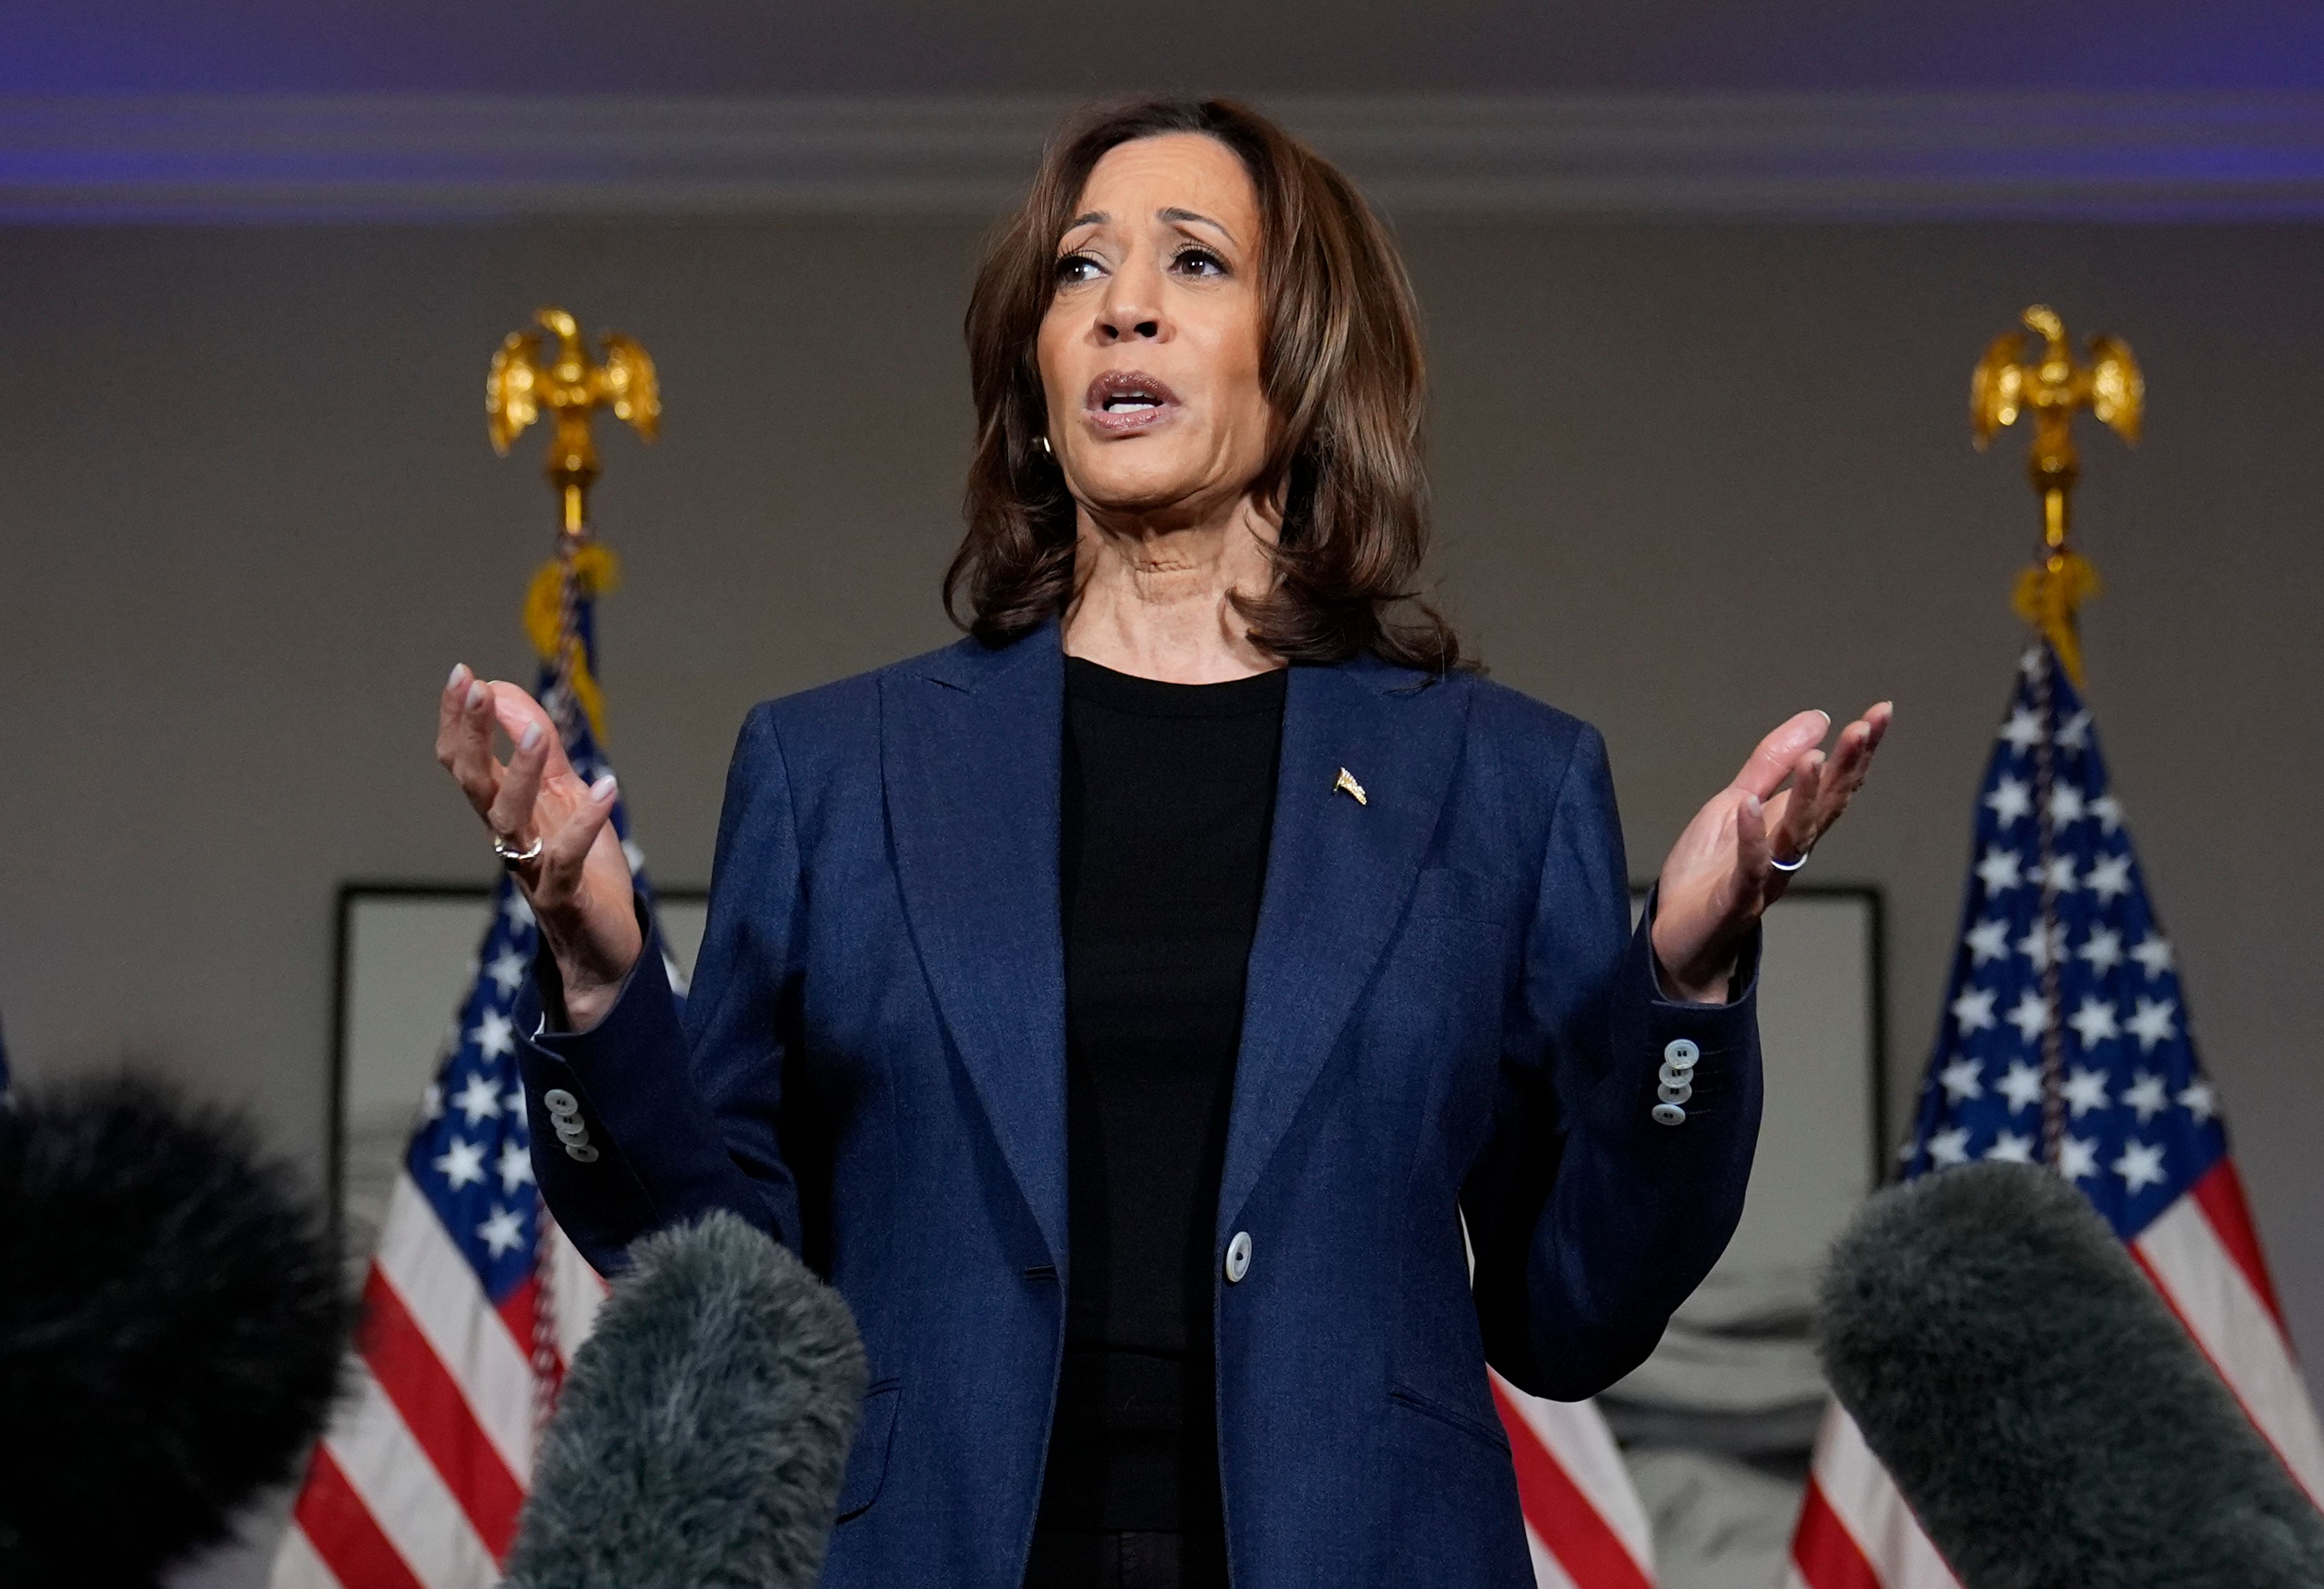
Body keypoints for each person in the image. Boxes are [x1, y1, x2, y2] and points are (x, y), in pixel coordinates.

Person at [435, 98, 1888, 1589]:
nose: (1123, 304)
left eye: (1195, 263)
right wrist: (604, 980)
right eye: (1080, 272)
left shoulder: (1502, 781)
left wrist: (1690, 985)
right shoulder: (834, 768)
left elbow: (1569, 1308)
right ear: (1041, 372)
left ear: (1308, 354)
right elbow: (726, 1277)